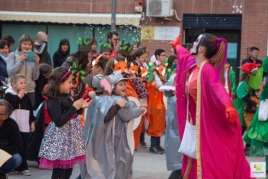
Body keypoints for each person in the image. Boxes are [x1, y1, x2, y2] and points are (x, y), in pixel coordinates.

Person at [171, 34, 252, 178]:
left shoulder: (207, 69)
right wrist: (177, 46)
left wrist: (228, 105)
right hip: (195, 124)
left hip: (207, 125)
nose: (193, 44)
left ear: (201, 49)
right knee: (194, 159)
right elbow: (184, 55)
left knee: (210, 161)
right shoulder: (193, 64)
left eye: (196, 42)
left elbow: (217, 88)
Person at [38, 67, 91, 179]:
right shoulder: (53, 100)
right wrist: (73, 108)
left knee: (68, 171)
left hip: (70, 138)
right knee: (60, 173)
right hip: (60, 140)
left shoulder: (66, 96)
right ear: (59, 83)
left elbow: (69, 112)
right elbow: (59, 121)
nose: (71, 85)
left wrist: (79, 107)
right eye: (69, 82)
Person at [79, 74, 125, 179]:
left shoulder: (96, 98)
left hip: (92, 135)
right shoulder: (106, 100)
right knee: (102, 162)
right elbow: (106, 117)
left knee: (92, 162)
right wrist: (118, 106)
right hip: (101, 137)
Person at [110, 73, 146, 179]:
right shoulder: (117, 100)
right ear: (113, 88)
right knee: (121, 163)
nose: (124, 87)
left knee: (126, 162)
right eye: (120, 85)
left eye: (124, 84)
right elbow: (126, 115)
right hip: (120, 136)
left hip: (125, 135)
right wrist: (140, 110)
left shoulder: (122, 98)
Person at [4, 74, 36, 176]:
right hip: (13, 125)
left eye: (24, 83)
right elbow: (9, 108)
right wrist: (19, 97)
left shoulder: (26, 96)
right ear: (13, 84)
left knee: (23, 145)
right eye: (21, 83)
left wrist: (32, 122)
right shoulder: (8, 95)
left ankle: (22, 167)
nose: (24, 85)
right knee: (12, 145)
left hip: (24, 124)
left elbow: (30, 109)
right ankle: (8, 166)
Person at [6, 34, 40, 107]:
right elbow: (10, 72)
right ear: (20, 44)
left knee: (28, 116)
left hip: (30, 91)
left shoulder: (33, 57)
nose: (27, 46)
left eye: (29, 44)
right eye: (25, 44)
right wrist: (21, 61)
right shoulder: (12, 55)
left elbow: (35, 77)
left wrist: (37, 65)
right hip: (15, 91)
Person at [159, 74, 183, 179]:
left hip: (177, 138)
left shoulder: (174, 100)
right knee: (180, 169)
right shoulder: (176, 101)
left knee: (181, 169)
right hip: (178, 139)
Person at [243, 77, 268, 172]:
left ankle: (260, 172)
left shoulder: (262, 99)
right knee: (259, 153)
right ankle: (260, 172)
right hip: (262, 126)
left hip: (260, 126)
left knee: (259, 152)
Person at [0, 99, 22, 179]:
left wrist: (2, 151)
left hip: (3, 153)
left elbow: (17, 146)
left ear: (5, 116)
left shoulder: (12, 124)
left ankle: (1, 173)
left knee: (16, 158)